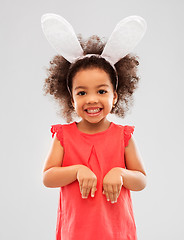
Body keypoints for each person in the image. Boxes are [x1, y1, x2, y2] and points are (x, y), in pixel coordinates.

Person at [41, 13, 147, 240]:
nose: (91, 100)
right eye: (81, 92)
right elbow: (48, 177)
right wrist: (77, 170)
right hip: (76, 232)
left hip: (117, 232)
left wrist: (120, 173)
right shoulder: (63, 136)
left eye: (101, 91)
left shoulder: (123, 136)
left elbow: (141, 180)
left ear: (115, 96)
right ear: (71, 99)